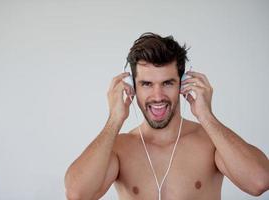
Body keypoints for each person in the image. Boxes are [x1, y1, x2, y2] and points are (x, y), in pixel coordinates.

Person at [64, 33, 269, 200]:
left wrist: (206, 116)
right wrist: (114, 120)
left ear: (182, 84)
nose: (158, 96)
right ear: (133, 87)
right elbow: (77, 194)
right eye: (146, 84)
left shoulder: (210, 141)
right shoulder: (119, 147)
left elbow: (259, 181)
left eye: (167, 83)